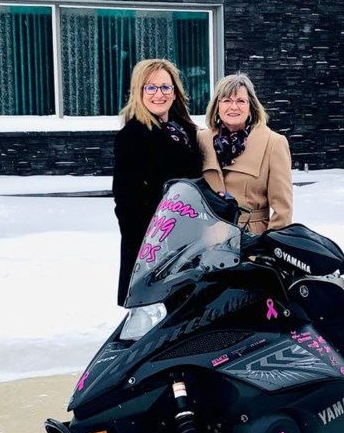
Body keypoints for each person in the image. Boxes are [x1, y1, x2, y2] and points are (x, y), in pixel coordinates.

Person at [112, 58, 202, 306]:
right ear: (139, 92)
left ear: (175, 92)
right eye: (150, 87)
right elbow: (125, 200)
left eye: (165, 87)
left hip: (189, 238)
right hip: (153, 244)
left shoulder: (186, 131)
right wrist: (150, 247)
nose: (159, 94)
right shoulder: (132, 136)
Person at [198, 73, 293, 235]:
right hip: (206, 239)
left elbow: (283, 211)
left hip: (251, 240)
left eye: (241, 101)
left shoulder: (273, 143)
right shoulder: (201, 139)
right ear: (217, 106)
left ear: (251, 107)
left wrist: (267, 246)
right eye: (226, 100)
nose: (233, 107)